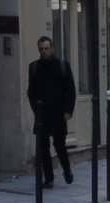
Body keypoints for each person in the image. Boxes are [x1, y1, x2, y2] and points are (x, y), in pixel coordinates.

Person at [27, 36, 76, 188]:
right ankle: (49, 178)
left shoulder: (62, 65)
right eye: (41, 49)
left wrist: (68, 111)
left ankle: (67, 170)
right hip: (42, 114)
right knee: (43, 148)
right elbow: (31, 91)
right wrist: (36, 109)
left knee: (60, 145)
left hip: (59, 113)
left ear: (52, 49)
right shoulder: (34, 67)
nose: (44, 52)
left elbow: (71, 89)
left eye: (47, 49)